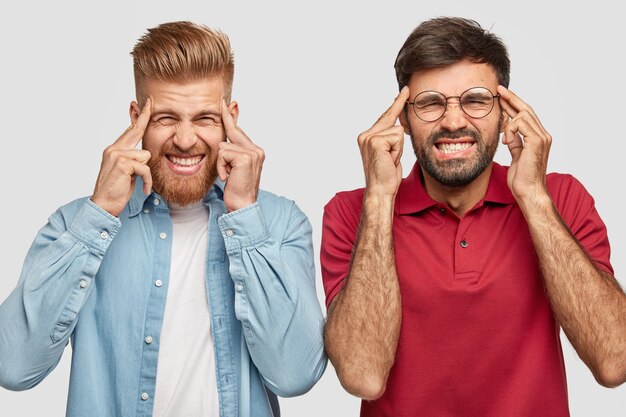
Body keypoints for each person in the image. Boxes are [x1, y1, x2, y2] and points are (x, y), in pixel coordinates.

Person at [0, 21, 326, 417]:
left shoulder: (278, 223)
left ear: (231, 117)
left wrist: (244, 214)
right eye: (166, 118)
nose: (186, 140)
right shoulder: (76, 225)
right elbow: (12, 367)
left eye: (204, 118)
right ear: (136, 116)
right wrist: (98, 214)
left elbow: (295, 375)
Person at [321, 17, 626, 416]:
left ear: (506, 113)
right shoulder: (351, 213)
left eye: (476, 99)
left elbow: (614, 362)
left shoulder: (562, 198)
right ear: (402, 118)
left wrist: (533, 196)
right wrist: (379, 197)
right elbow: (364, 376)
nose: (453, 122)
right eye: (430, 102)